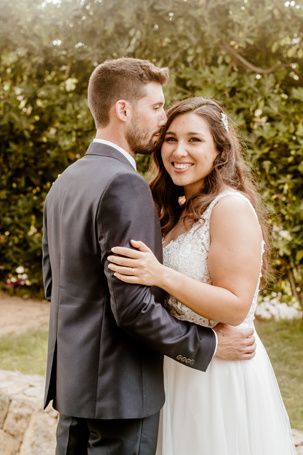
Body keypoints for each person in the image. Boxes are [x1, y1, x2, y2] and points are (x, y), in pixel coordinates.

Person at [42, 60, 255, 455]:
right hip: (121, 393)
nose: (162, 122)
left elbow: (56, 286)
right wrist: (206, 344)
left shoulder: (65, 181)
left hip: (74, 388)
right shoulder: (125, 184)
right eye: (157, 108)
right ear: (123, 110)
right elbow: (133, 308)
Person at [108, 97, 296, 454]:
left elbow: (235, 306)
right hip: (178, 365)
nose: (179, 151)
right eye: (170, 139)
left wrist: (160, 274)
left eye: (194, 140)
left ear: (219, 151)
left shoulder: (230, 208)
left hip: (220, 377)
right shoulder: (172, 208)